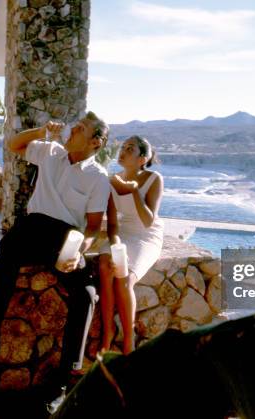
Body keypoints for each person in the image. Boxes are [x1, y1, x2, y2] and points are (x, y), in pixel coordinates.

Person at [0, 112, 110, 411]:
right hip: (33, 228)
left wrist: (80, 251)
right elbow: (12, 144)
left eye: (81, 128)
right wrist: (43, 130)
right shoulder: (51, 151)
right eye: (75, 125)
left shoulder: (98, 177)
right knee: (6, 254)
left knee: (86, 294)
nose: (72, 130)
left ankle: (64, 381)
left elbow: (94, 227)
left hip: (64, 239)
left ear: (95, 142)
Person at [98, 136, 164, 355]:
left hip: (146, 236)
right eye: (123, 147)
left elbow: (148, 221)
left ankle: (129, 341)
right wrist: (116, 248)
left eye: (130, 148)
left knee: (124, 278)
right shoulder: (113, 179)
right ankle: (107, 332)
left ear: (142, 159)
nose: (123, 151)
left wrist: (134, 191)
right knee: (106, 265)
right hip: (123, 234)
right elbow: (113, 224)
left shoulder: (154, 179)